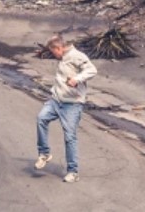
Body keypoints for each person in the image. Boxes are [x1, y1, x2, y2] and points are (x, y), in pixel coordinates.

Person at [35, 34, 97, 183]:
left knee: (70, 137)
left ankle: (73, 172)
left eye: (53, 51)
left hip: (72, 104)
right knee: (41, 119)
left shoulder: (76, 56)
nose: (53, 55)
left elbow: (92, 70)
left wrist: (77, 79)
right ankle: (44, 153)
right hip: (56, 100)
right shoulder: (62, 57)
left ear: (59, 48)